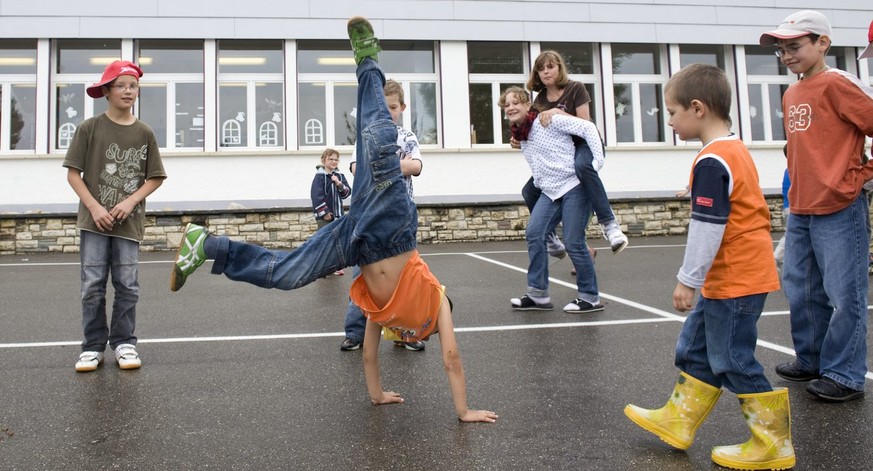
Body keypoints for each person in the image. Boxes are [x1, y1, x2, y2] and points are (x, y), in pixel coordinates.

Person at [169, 17, 497, 423]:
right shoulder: (436, 303)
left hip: (353, 240)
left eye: (411, 336)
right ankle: (368, 61)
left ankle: (207, 245)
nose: (412, 337)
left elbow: (369, 354)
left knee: (286, 273)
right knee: (380, 141)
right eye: (417, 335)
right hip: (393, 230)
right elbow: (451, 357)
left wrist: (377, 395)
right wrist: (463, 410)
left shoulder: (387, 315)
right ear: (427, 327)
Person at [623, 64, 793, 470]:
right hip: (730, 278)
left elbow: (707, 226)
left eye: (672, 111)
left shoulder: (714, 160)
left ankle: (773, 443)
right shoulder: (729, 151)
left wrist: (687, 280)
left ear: (697, 108)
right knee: (695, 350)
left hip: (736, 278)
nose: (669, 119)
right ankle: (678, 420)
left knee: (732, 359)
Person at [760, 10, 873, 403]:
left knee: (845, 295)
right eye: (782, 50)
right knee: (802, 290)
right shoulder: (793, 91)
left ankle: (845, 374)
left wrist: (859, 175)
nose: (787, 55)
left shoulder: (840, 84)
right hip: (802, 207)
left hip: (840, 207)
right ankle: (811, 359)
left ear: (822, 43)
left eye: (794, 46)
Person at [63, 60, 167, 372]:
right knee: (92, 284)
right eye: (120, 85)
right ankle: (92, 346)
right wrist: (95, 207)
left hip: (128, 224)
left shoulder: (144, 132)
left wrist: (130, 202)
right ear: (106, 91)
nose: (127, 91)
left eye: (132, 86)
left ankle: (124, 343)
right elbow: (73, 174)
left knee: (128, 284)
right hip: (93, 223)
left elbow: (155, 177)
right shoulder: (89, 128)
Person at [501, 86, 602, 313]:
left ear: (528, 105)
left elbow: (588, 127)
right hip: (550, 190)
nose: (510, 108)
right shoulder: (522, 134)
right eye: (506, 105)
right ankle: (538, 295)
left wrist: (595, 164)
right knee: (534, 233)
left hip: (575, 185)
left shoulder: (547, 121)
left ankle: (590, 296)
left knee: (573, 240)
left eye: (515, 103)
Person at [341, 79, 425, 352]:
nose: (387, 112)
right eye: (382, 108)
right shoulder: (365, 137)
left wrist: (384, 166)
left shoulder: (407, 137)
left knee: (404, 278)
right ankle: (355, 333)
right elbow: (357, 169)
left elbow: (415, 166)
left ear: (401, 107)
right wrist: (392, 167)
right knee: (362, 274)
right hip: (369, 215)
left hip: (400, 217)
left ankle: (405, 333)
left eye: (392, 107)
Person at [518, 50, 628, 255]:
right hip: (561, 153)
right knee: (529, 190)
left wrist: (558, 112)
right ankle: (551, 236)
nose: (546, 72)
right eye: (541, 69)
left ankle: (610, 225)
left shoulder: (575, 88)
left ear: (559, 68)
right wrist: (518, 138)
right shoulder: (539, 101)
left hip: (584, 144)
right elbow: (532, 131)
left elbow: (585, 123)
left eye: (550, 67)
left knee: (582, 166)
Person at [311, 148, 350, 275]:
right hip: (326, 216)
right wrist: (325, 212)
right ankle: (319, 268)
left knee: (336, 242)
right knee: (323, 241)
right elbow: (316, 196)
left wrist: (338, 183)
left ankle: (333, 267)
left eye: (336, 159)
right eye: (331, 159)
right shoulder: (320, 176)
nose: (334, 161)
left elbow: (346, 193)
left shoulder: (339, 176)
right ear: (324, 160)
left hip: (338, 215)